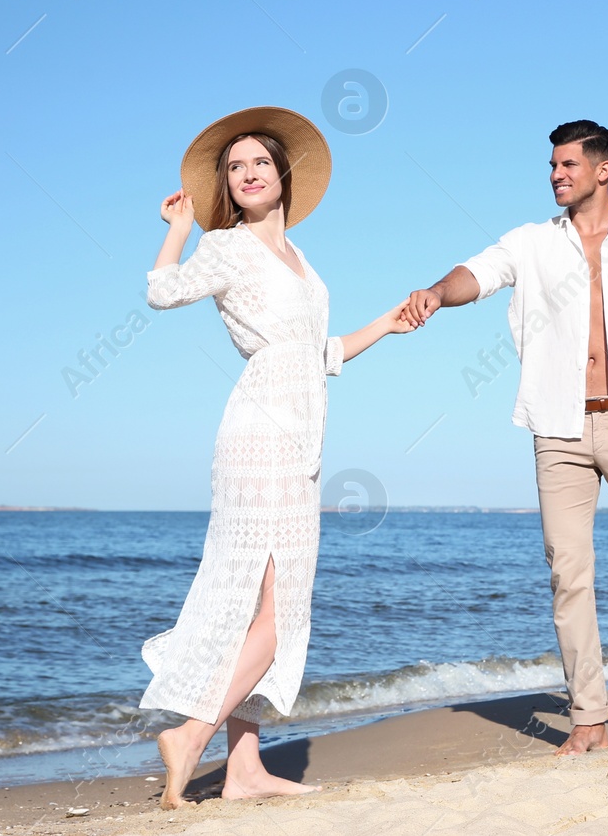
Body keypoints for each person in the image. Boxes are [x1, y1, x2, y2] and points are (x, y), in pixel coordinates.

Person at [402, 119, 608, 756]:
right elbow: (478, 272)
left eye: (568, 166)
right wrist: (437, 295)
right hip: (557, 425)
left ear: (602, 169)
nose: (556, 175)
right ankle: (589, 717)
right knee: (568, 572)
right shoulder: (531, 243)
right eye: (552, 166)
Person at [139, 106, 412, 807]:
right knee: (272, 606)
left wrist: (387, 321)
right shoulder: (226, 246)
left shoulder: (299, 260)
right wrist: (177, 231)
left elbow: (317, 354)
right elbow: (162, 291)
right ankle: (192, 732)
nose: (249, 172)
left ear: (282, 174)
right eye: (235, 167)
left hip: (303, 434)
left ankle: (245, 769)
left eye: (259, 161)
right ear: (226, 186)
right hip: (259, 431)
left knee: (273, 598)